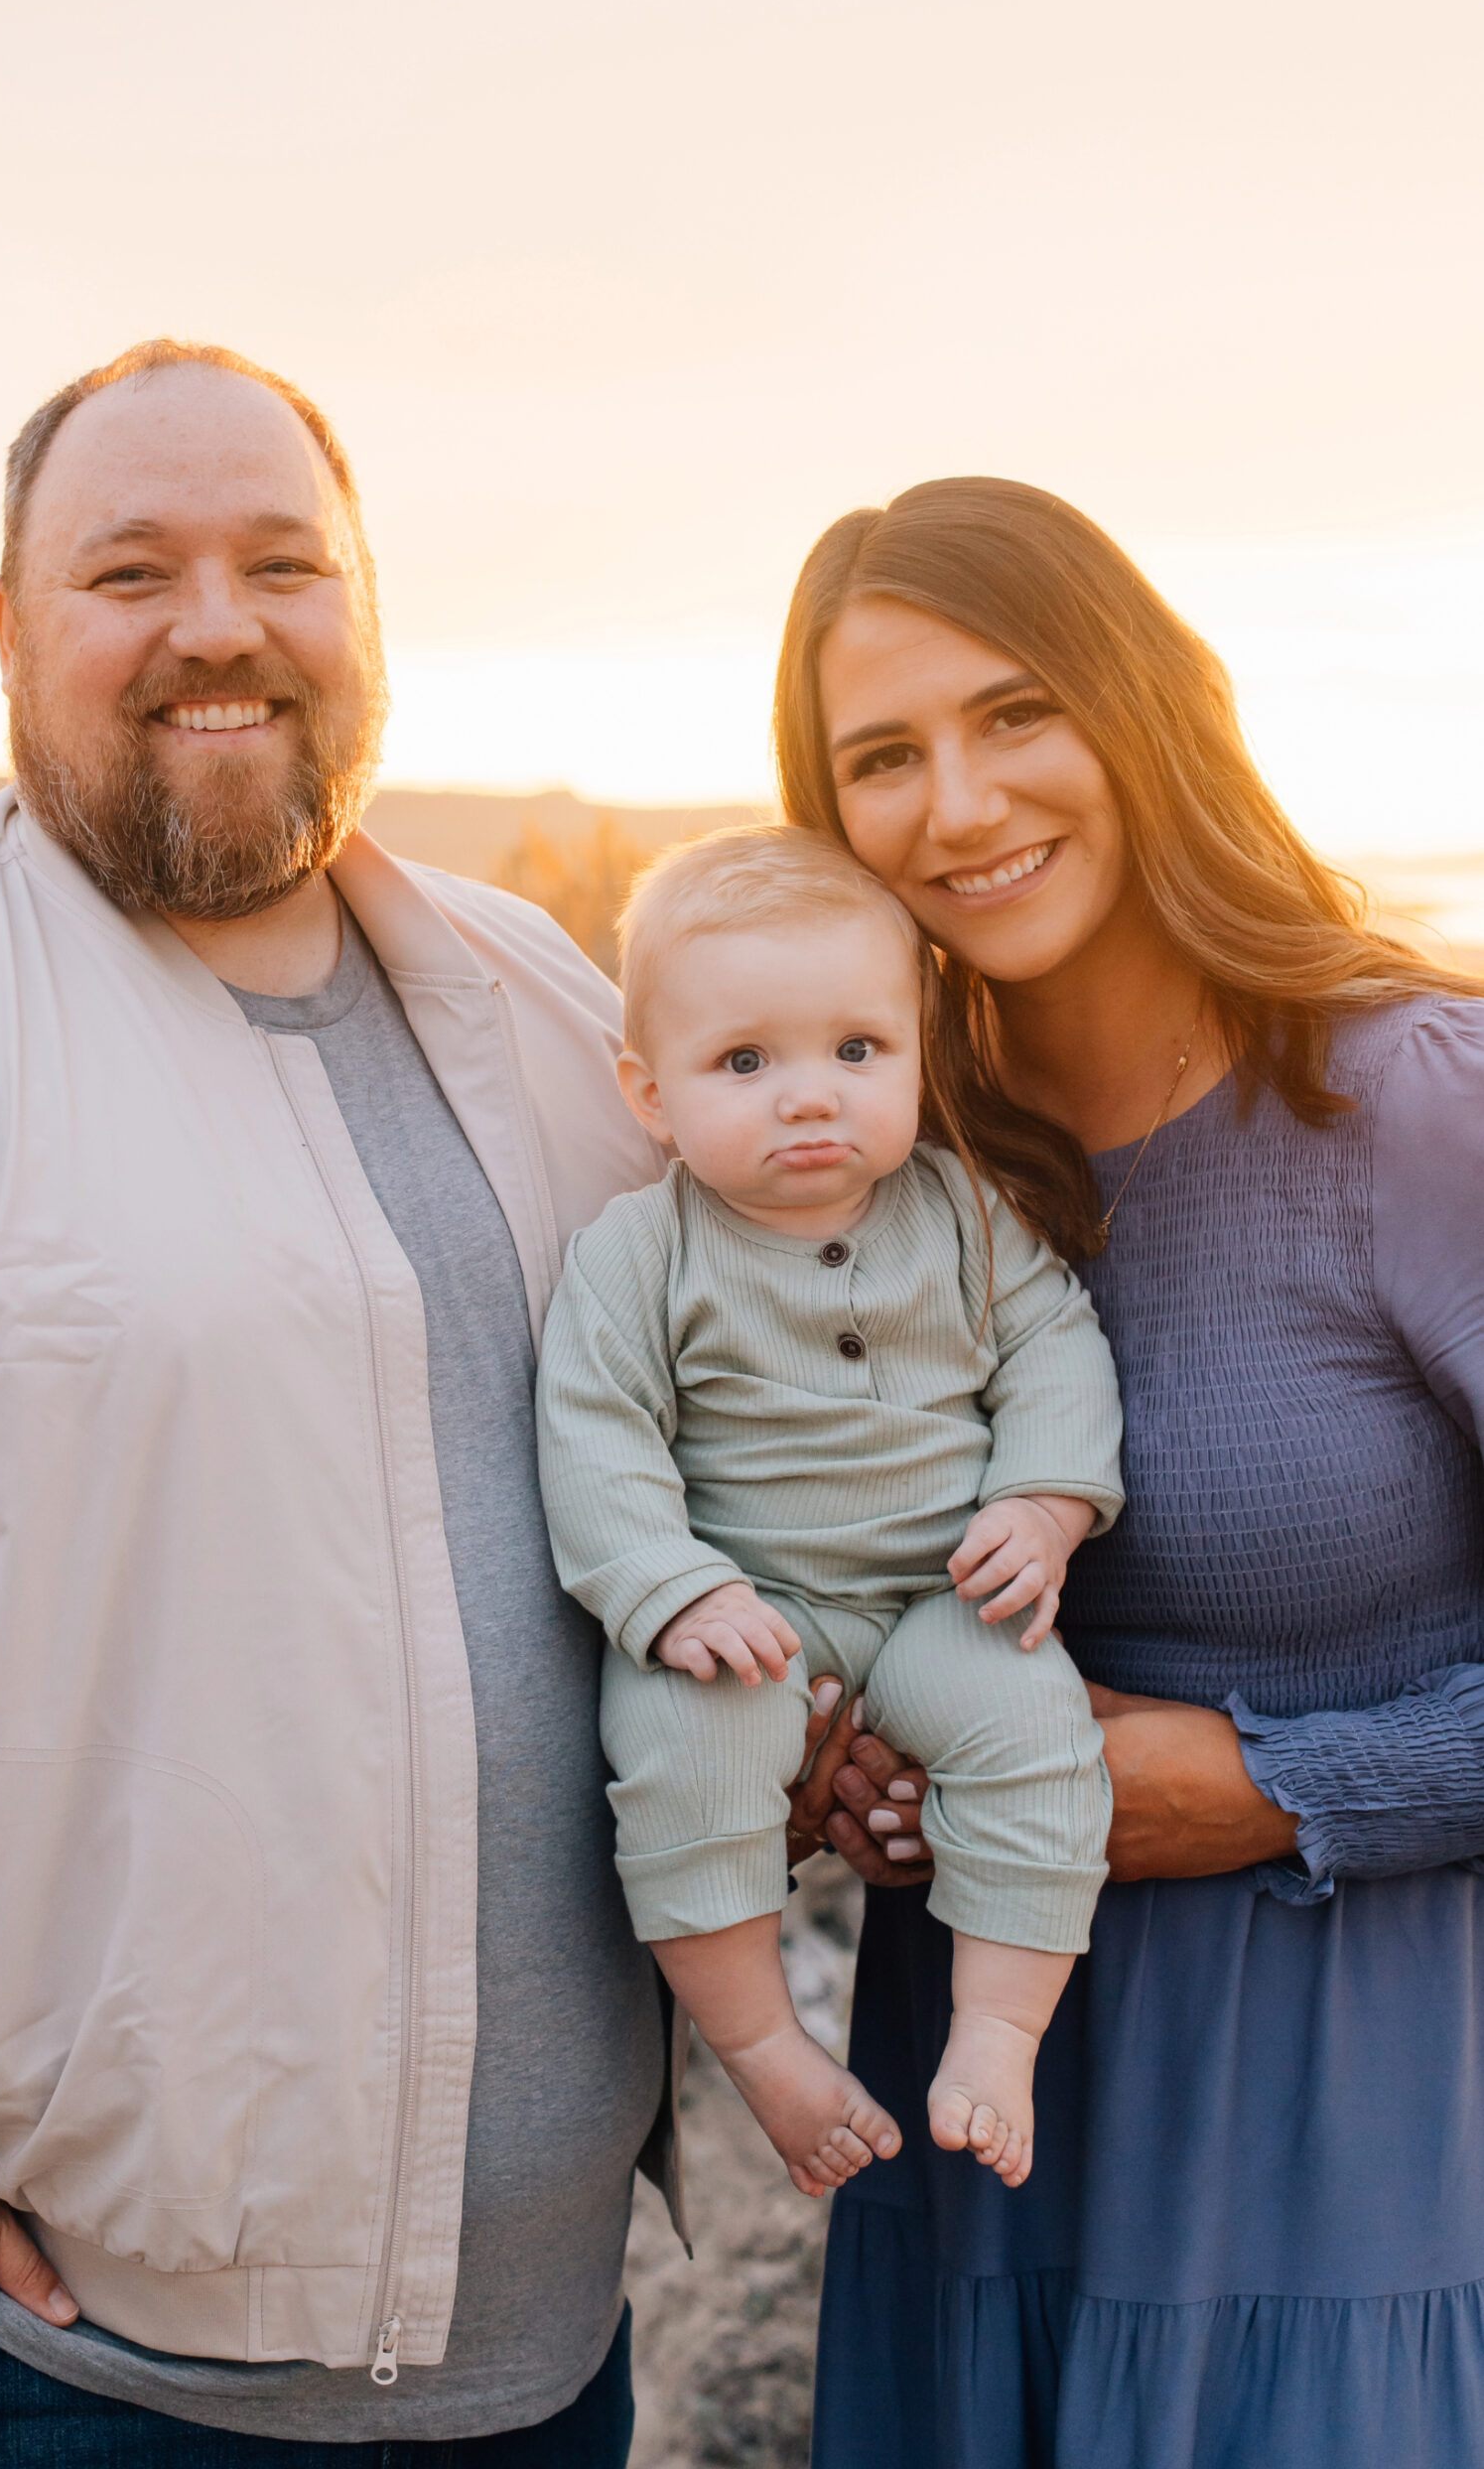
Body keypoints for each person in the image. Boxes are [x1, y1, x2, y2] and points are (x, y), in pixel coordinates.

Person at [0, 338, 679, 2468]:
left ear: (367, 614)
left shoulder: (563, 1020)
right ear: (12, 631)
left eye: (280, 562)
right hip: (36, 2376)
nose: (217, 620)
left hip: (544, 2354)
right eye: (130, 568)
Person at [776, 477, 1484, 2468]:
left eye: (1020, 714)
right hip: (987, 2131)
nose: (963, 801)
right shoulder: (880, 1186)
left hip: (1368, 2131)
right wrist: (832, 1738)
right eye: (886, 756)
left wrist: (1275, 1784)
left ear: (1146, 711)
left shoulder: (1409, 1103)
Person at [536, 825, 1123, 2198]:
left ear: (915, 1052)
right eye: (745, 1063)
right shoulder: (642, 1251)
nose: (810, 1098)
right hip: (753, 1612)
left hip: (944, 1596)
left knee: (1038, 1736)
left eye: (856, 1051)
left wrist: (1042, 1504)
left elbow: (1055, 1345)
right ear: (649, 1090)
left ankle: (995, 2033)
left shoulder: (967, 1218)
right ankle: (762, 2051)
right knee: (679, 1748)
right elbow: (593, 1430)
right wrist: (670, 1591)